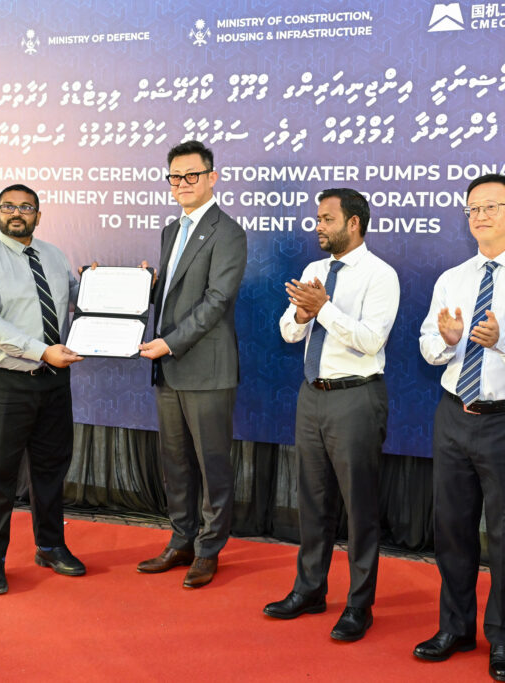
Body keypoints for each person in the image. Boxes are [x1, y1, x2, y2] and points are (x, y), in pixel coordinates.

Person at [414, 173, 505, 680]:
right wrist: (448, 340)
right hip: (454, 415)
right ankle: (455, 628)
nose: (480, 216)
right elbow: (428, 347)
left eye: (492, 207)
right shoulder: (452, 278)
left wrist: (502, 341)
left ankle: (503, 638)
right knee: (452, 530)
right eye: (473, 209)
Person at [263, 188, 399, 642]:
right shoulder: (314, 271)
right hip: (312, 396)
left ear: (353, 223)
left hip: (356, 398)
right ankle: (310, 590)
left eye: (326, 219)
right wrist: (303, 315)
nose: (318, 226)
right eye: (317, 219)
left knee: (359, 507)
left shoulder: (381, 275)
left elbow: (370, 340)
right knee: (313, 500)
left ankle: (359, 605)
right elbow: (287, 332)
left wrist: (324, 309)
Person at [0, 183, 87, 595]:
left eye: (25, 207)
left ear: (38, 216)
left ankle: (50, 545)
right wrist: (41, 351)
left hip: (52, 381)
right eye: (8, 206)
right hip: (1, 383)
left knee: (50, 468)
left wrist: (115, 285)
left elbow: (77, 300)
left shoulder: (54, 255)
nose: (16, 213)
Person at [136, 140, 247, 589]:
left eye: (192, 175)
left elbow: (216, 301)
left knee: (212, 465)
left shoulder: (228, 232)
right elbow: (172, 295)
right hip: (169, 368)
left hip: (206, 369)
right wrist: (135, 287)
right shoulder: (171, 230)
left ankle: (208, 548)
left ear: (212, 177)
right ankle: (181, 540)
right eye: (175, 177)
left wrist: (169, 343)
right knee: (176, 463)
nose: (182, 183)